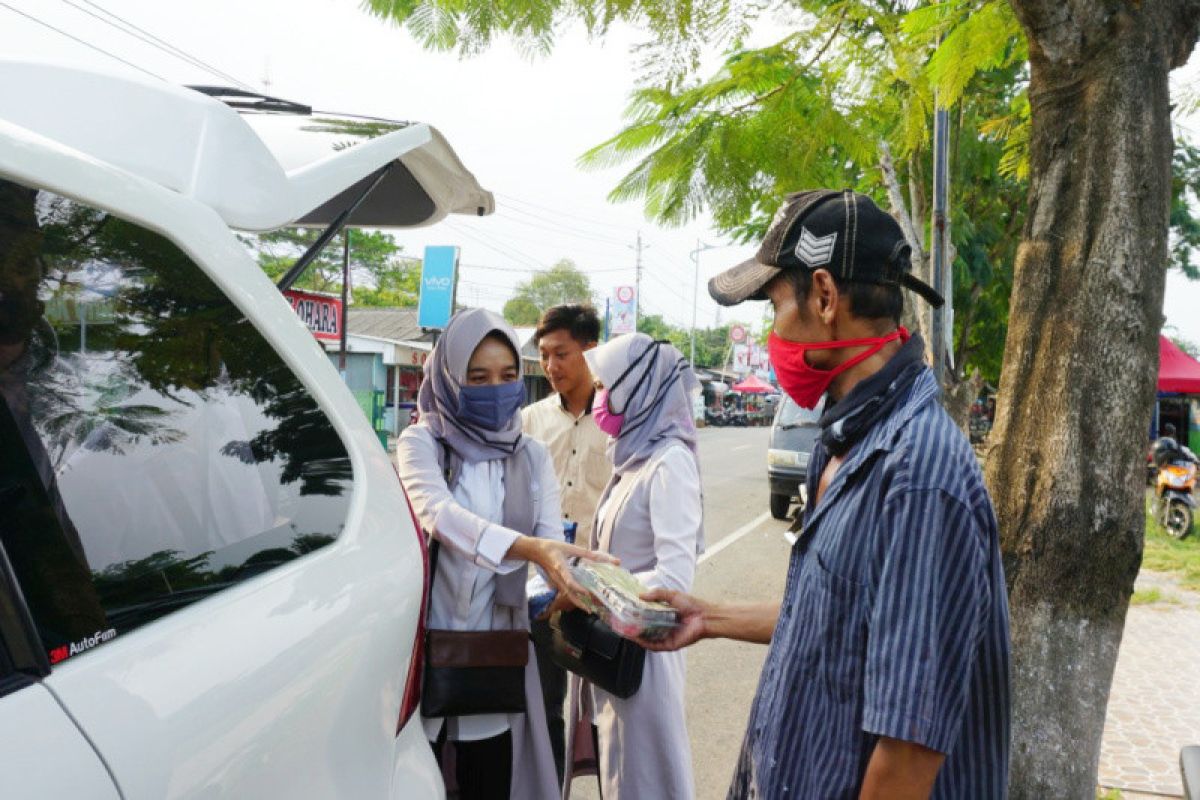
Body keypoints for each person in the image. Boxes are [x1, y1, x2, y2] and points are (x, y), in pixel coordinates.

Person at [641, 189, 1011, 799]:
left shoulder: (918, 476)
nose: (772, 329)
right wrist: (707, 616)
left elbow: (907, 753)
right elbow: (833, 624)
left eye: (775, 304)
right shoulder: (843, 438)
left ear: (824, 295)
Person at [395, 307, 610, 800]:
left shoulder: (530, 454)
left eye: (508, 376)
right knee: (419, 780)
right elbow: (439, 515)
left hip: (496, 654)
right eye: (478, 377)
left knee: (488, 778)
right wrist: (530, 549)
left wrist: (556, 585)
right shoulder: (422, 443)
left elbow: (550, 539)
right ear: (449, 377)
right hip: (422, 653)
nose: (496, 389)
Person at [561, 332, 704, 800]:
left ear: (637, 390)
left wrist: (591, 585)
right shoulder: (635, 458)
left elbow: (675, 576)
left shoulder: (670, 463)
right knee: (620, 773)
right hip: (615, 643)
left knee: (645, 779)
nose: (599, 398)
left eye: (605, 387)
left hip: (645, 653)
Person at [520, 304, 612, 783]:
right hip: (544, 586)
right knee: (546, 708)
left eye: (562, 354)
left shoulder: (621, 417)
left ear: (590, 351)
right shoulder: (528, 422)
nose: (552, 366)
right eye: (544, 356)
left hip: (605, 588)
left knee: (609, 714)